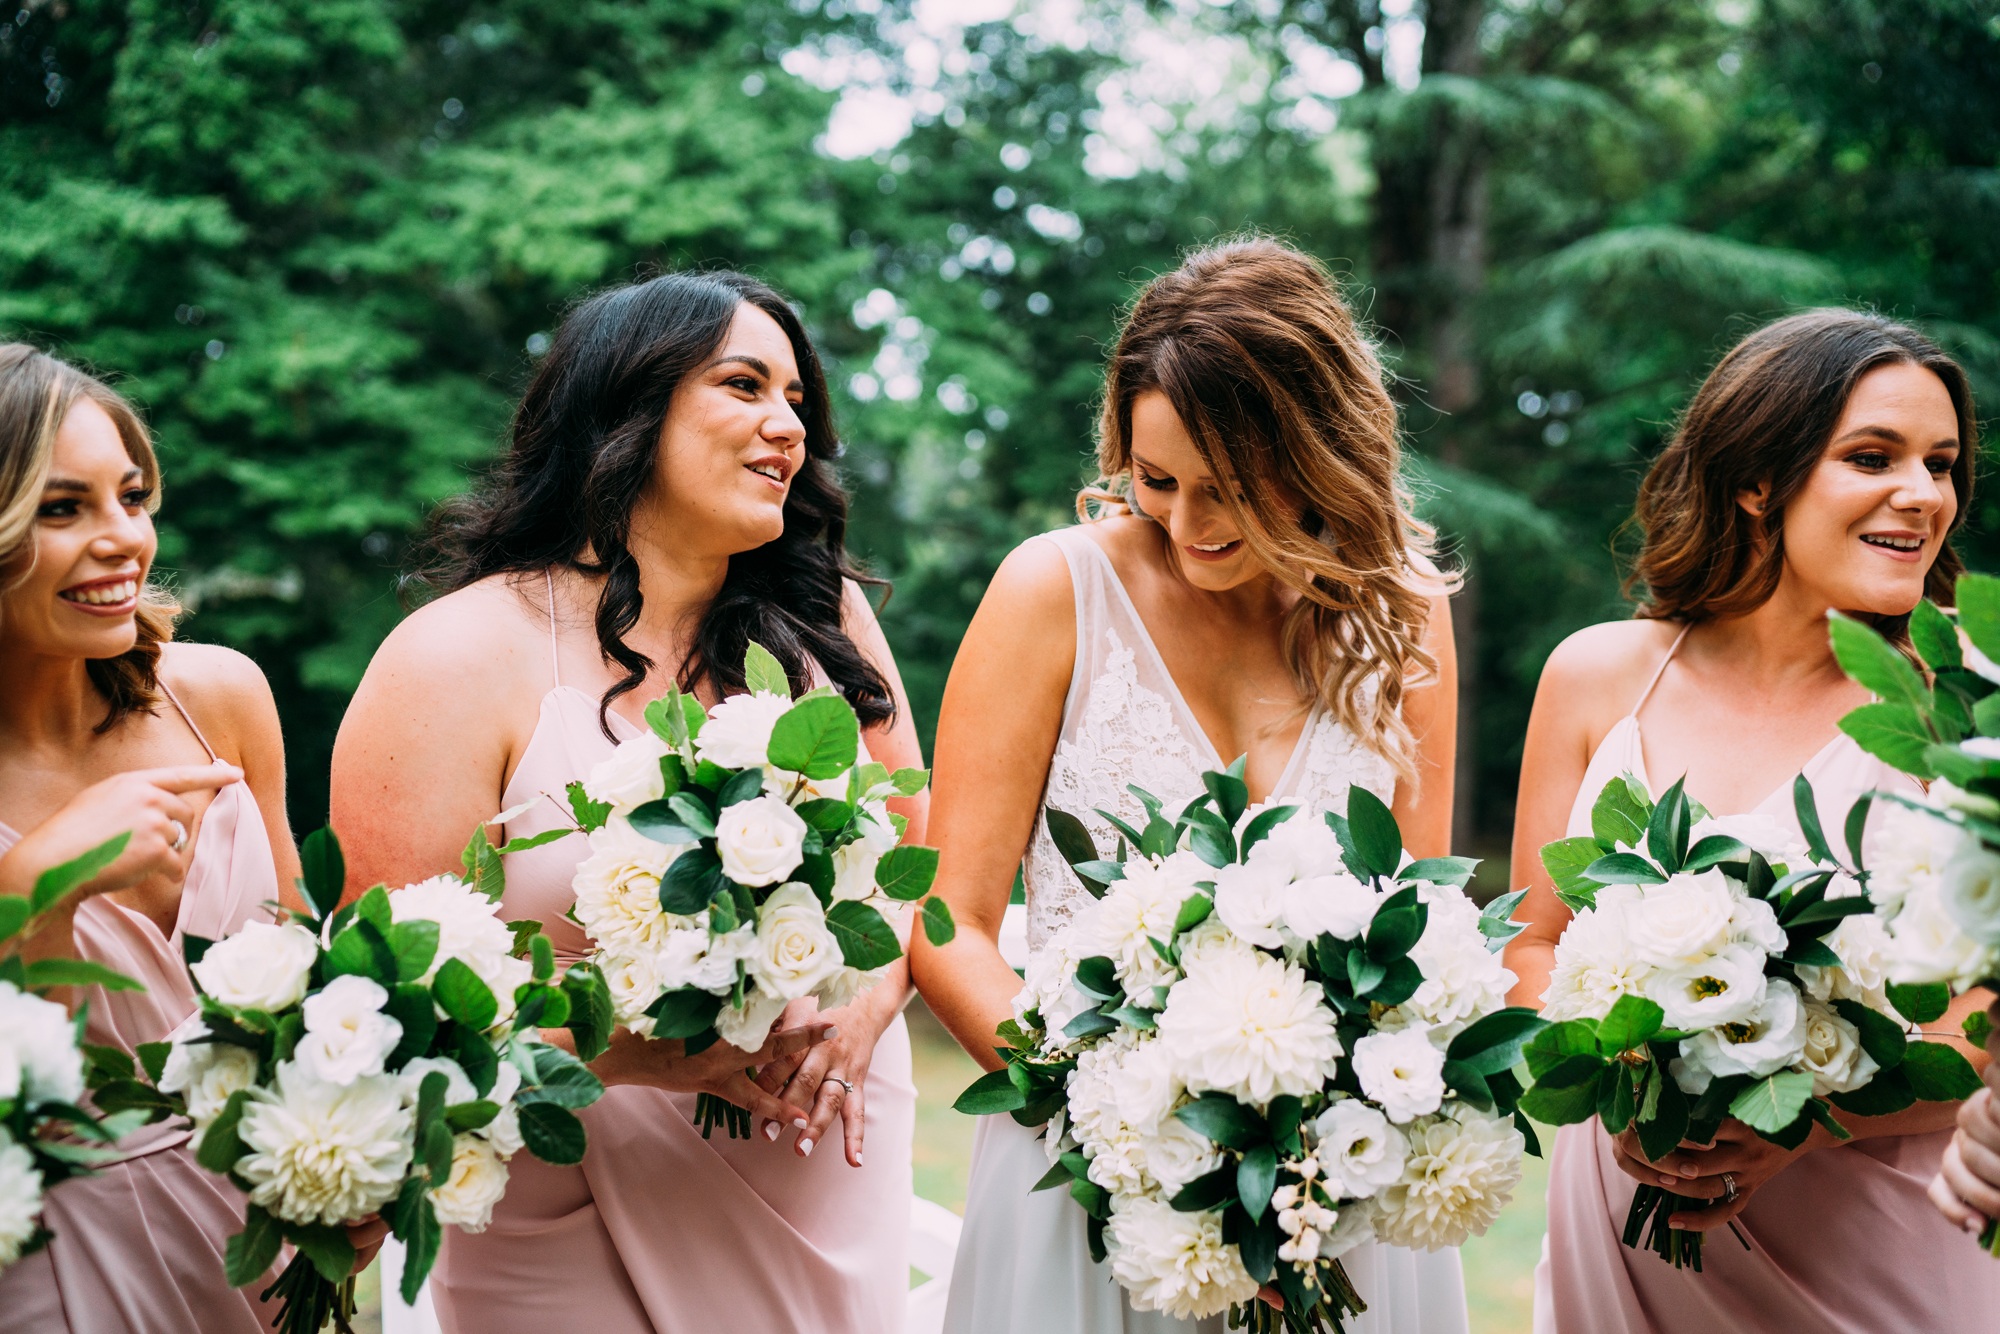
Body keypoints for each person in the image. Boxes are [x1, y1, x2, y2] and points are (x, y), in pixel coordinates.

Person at [330, 271, 925, 1334]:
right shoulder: (457, 655)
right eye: (743, 385)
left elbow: (911, 866)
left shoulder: (820, 619)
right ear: (625, 405)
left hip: (819, 1157)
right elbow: (393, 998)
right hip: (564, 1189)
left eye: (797, 400)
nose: (785, 424)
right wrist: (640, 1053)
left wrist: (865, 1007)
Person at [914, 237, 1469, 1334]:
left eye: (1229, 491)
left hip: (1331, 1203)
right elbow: (947, 918)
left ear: (1318, 454)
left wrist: (1332, 1151)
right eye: (1153, 478)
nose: (1185, 523)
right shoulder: (1052, 590)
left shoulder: (1401, 611)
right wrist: (1115, 1126)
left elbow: (1421, 932)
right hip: (1086, 1187)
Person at [1504, 309, 2000, 1331]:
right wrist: (1629, 1076)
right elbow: (1535, 939)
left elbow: (1984, 1023)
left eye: (1940, 464)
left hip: (1870, 1241)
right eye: (1872, 456)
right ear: (1753, 478)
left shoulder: (1963, 705)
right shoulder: (1597, 675)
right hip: (1620, 1220)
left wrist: (1802, 1121)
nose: (1921, 494)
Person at [0, 343, 301, 1330]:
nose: (123, 537)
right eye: (63, 508)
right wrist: (42, 873)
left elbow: (316, 981)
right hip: (58, 1261)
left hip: (268, 1239)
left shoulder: (221, 695)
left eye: (132, 496)